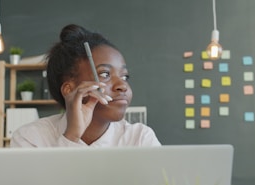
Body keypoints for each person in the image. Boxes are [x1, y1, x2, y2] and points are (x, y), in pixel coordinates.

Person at [10, 24, 161, 147]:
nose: (122, 85)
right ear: (69, 89)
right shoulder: (30, 138)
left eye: (124, 76)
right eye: (105, 74)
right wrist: (71, 137)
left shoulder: (140, 139)